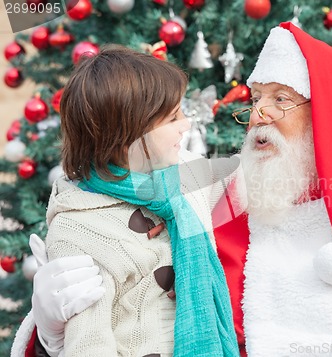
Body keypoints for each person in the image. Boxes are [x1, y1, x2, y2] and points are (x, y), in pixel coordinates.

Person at [14, 23, 332, 357]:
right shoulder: (215, 201)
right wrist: (50, 332)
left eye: (281, 98)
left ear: (328, 116)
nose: (260, 113)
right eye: (256, 97)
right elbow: (128, 303)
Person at [11, 45, 241, 357]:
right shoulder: (80, 228)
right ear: (129, 134)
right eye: (173, 118)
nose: (186, 125)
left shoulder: (178, 182)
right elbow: (89, 346)